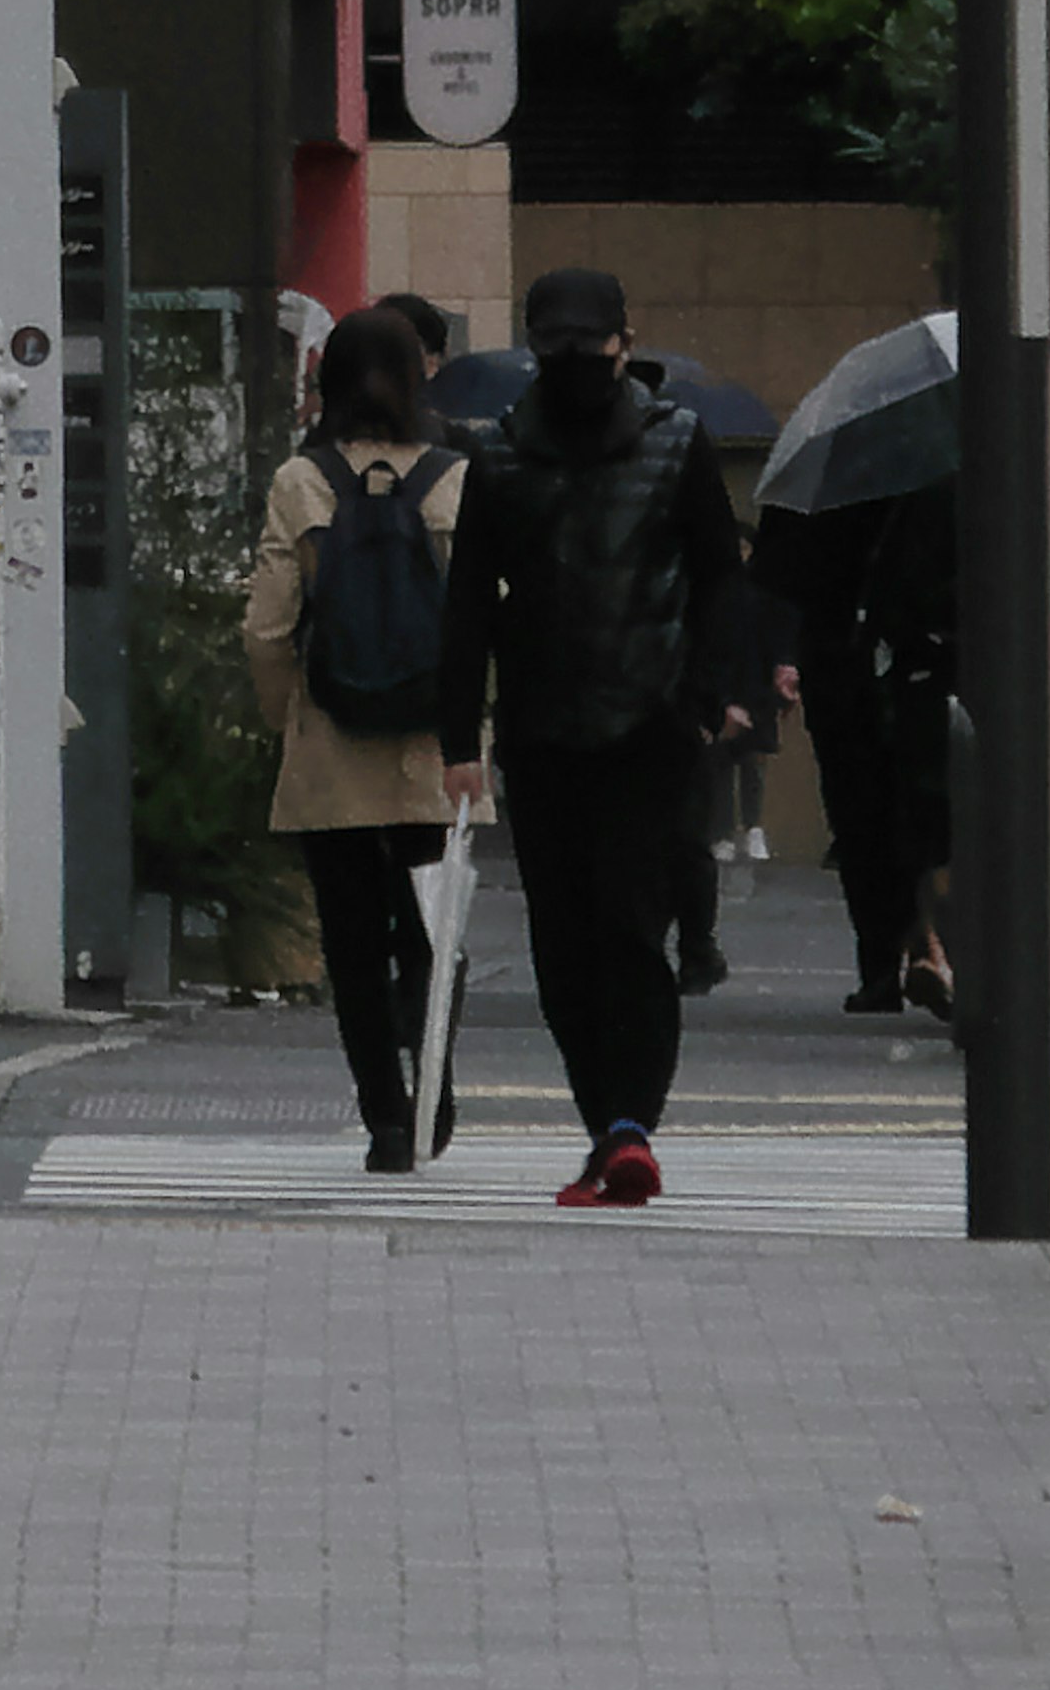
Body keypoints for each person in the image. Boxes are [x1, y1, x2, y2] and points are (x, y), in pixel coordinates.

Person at [435, 266, 758, 1209]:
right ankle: (614, 1127)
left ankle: (624, 1126)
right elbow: (471, 606)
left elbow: (716, 576)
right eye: (565, 350)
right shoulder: (498, 459)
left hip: (633, 727)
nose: (580, 365)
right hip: (567, 729)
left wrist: (706, 694)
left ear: (624, 344)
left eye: (589, 348)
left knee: (609, 931)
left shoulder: (665, 442)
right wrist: (462, 733)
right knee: (584, 940)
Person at [243, 304, 477, 1173]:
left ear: (326, 382)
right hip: (434, 750)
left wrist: (288, 718)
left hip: (331, 744)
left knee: (349, 939)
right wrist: (476, 728)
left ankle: (384, 1116)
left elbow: (266, 629)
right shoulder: (457, 478)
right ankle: (437, 1086)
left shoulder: (301, 482)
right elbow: (490, 618)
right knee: (431, 930)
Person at [765, 484, 956, 1022]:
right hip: (913, 662)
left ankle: (883, 967)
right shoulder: (941, 477)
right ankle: (924, 945)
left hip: (842, 660)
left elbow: (782, 568)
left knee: (861, 820)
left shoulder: (831, 474)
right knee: (918, 814)